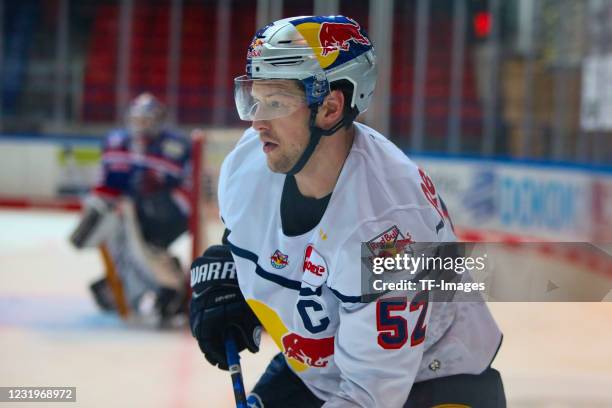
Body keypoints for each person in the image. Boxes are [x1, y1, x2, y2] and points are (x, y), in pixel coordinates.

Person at [189, 15, 505, 407]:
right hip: (325, 368)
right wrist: (229, 277)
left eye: (275, 102)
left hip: (434, 380)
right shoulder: (247, 166)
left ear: (331, 108)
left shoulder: (389, 229)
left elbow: (369, 397)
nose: (256, 122)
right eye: (254, 98)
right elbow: (249, 245)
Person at [71, 93, 191, 326]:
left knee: (147, 250)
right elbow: (104, 186)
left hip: (161, 218)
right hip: (128, 217)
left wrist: (160, 198)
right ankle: (132, 284)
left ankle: (170, 286)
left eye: (147, 120)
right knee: (127, 250)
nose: (141, 126)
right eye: (137, 120)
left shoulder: (176, 146)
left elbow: (189, 191)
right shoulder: (115, 142)